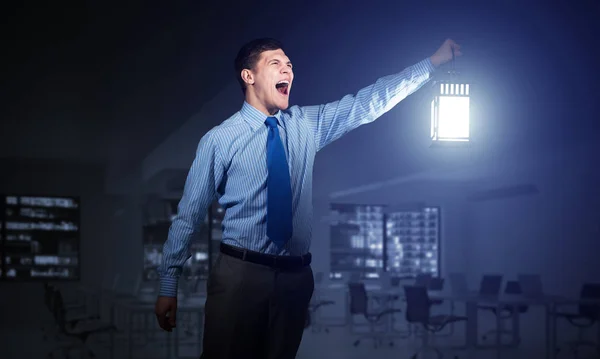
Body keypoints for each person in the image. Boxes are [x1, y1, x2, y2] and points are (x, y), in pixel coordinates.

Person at [155, 37, 461, 358]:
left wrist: (430, 65)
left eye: (290, 65)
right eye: (276, 63)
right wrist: (167, 285)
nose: (287, 69)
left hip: (296, 278)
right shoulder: (219, 140)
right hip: (240, 277)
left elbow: (367, 102)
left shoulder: (305, 125)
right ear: (249, 76)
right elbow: (188, 216)